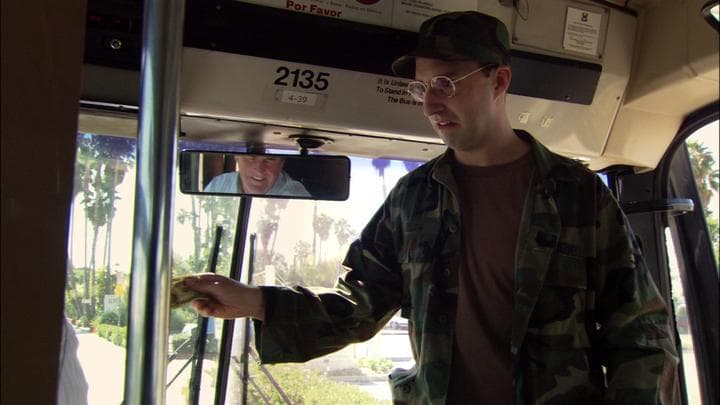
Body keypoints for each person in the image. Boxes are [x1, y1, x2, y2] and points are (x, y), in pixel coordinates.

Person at [184, 11, 678, 403]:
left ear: (499, 81)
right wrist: (255, 302)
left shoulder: (580, 194)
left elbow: (640, 332)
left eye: (445, 83)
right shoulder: (413, 199)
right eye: (421, 87)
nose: (428, 103)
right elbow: (360, 307)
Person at [204, 154, 310, 197]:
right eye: (251, 157)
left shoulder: (295, 196)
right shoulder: (218, 186)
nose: (259, 170)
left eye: (270, 159)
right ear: (236, 156)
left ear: (282, 163)